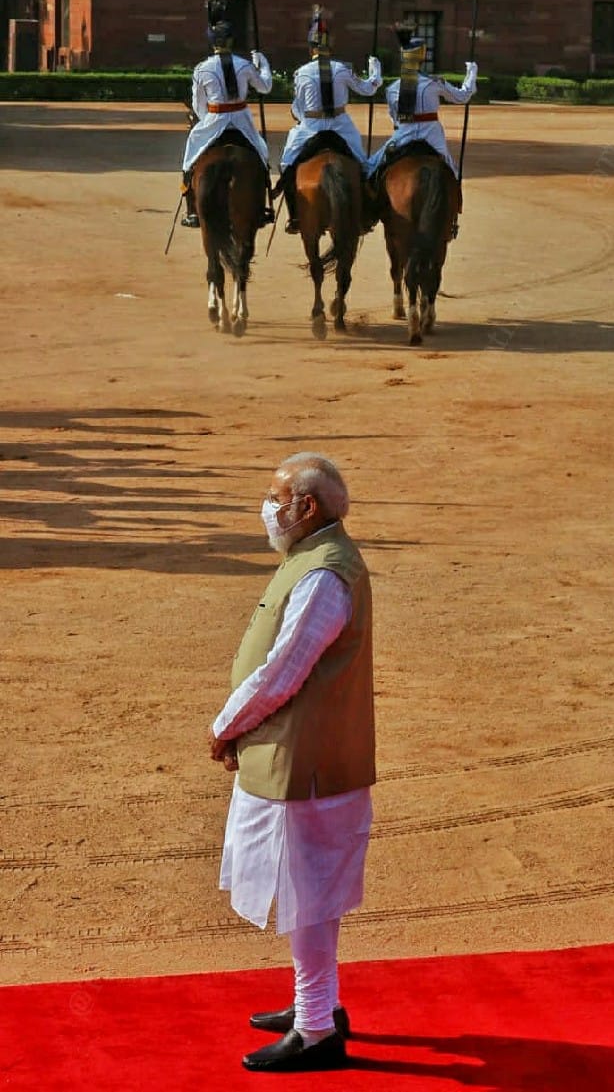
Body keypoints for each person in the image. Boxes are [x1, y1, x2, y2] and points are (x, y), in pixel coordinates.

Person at [208, 452, 375, 1074]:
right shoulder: (313, 558)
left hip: (305, 765)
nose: (268, 506)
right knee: (311, 892)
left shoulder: (325, 574)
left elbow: (284, 669)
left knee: (307, 894)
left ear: (308, 507)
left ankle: (315, 1027)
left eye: (277, 496)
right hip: (304, 758)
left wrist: (228, 725)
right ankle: (319, 1004)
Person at [277, 6, 382, 234]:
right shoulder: (342, 69)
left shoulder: (301, 72)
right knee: (363, 164)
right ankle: (364, 211)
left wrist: (298, 116)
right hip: (340, 124)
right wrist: (376, 71)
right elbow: (368, 89)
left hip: (311, 126)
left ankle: (294, 215)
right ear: (329, 46)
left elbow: (299, 107)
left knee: (287, 163)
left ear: (311, 47)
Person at [180, 20, 273, 228]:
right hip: (242, 121)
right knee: (262, 154)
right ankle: (263, 203)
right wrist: (263, 64)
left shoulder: (201, 69)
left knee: (190, 157)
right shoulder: (245, 65)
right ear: (231, 40)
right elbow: (265, 87)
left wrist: (207, 121)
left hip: (214, 119)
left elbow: (198, 104)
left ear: (212, 42)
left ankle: (191, 208)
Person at [367, 27, 478, 184]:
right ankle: (457, 201)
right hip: (432, 135)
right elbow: (463, 97)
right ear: (422, 56)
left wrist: (373, 68)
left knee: (372, 165)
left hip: (404, 134)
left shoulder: (392, 89)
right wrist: (471, 73)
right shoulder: (434, 82)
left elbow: (394, 119)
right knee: (452, 172)